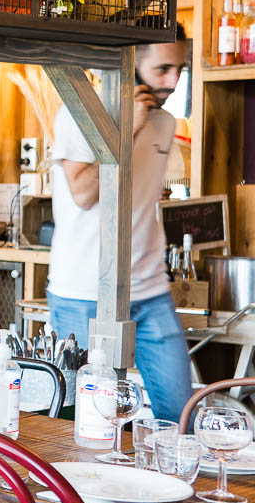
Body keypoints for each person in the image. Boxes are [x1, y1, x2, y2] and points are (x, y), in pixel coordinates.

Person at [46, 35, 192, 421]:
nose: (173, 81)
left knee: (180, 414)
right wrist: (127, 128)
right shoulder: (77, 114)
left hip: (151, 291)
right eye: (163, 69)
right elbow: (83, 192)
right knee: (85, 420)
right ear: (133, 67)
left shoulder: (165, 124)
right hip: (82, 295)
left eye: (180, 69)